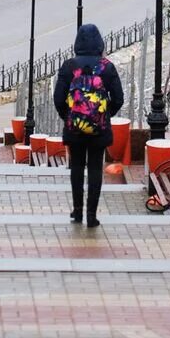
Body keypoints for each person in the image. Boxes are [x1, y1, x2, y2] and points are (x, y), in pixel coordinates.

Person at [52, 23, 123, 228]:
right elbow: (118, 98)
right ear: (100, 42)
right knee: (94, 168)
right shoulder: (106, 67)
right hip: (98, 129)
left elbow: (58, 98)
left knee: (76, 166)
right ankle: (92, 215)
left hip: (75, 127)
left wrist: (68, 116)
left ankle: (77, 211)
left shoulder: (69, 66)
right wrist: (105, 115)